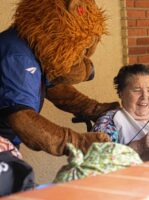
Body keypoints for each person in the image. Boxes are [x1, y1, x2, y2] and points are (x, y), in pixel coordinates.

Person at [0, 0, 119, 156]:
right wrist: (78, 143)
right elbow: (22, 119)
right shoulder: (18, 57)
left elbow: (51, 86)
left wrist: (91, 108)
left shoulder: (35, 46)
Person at [92, 64, 149, 161]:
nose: (144, 97)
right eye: (137, 90)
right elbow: (98, 160)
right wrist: (139, 146)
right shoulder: (109, 122)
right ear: (121, 94)